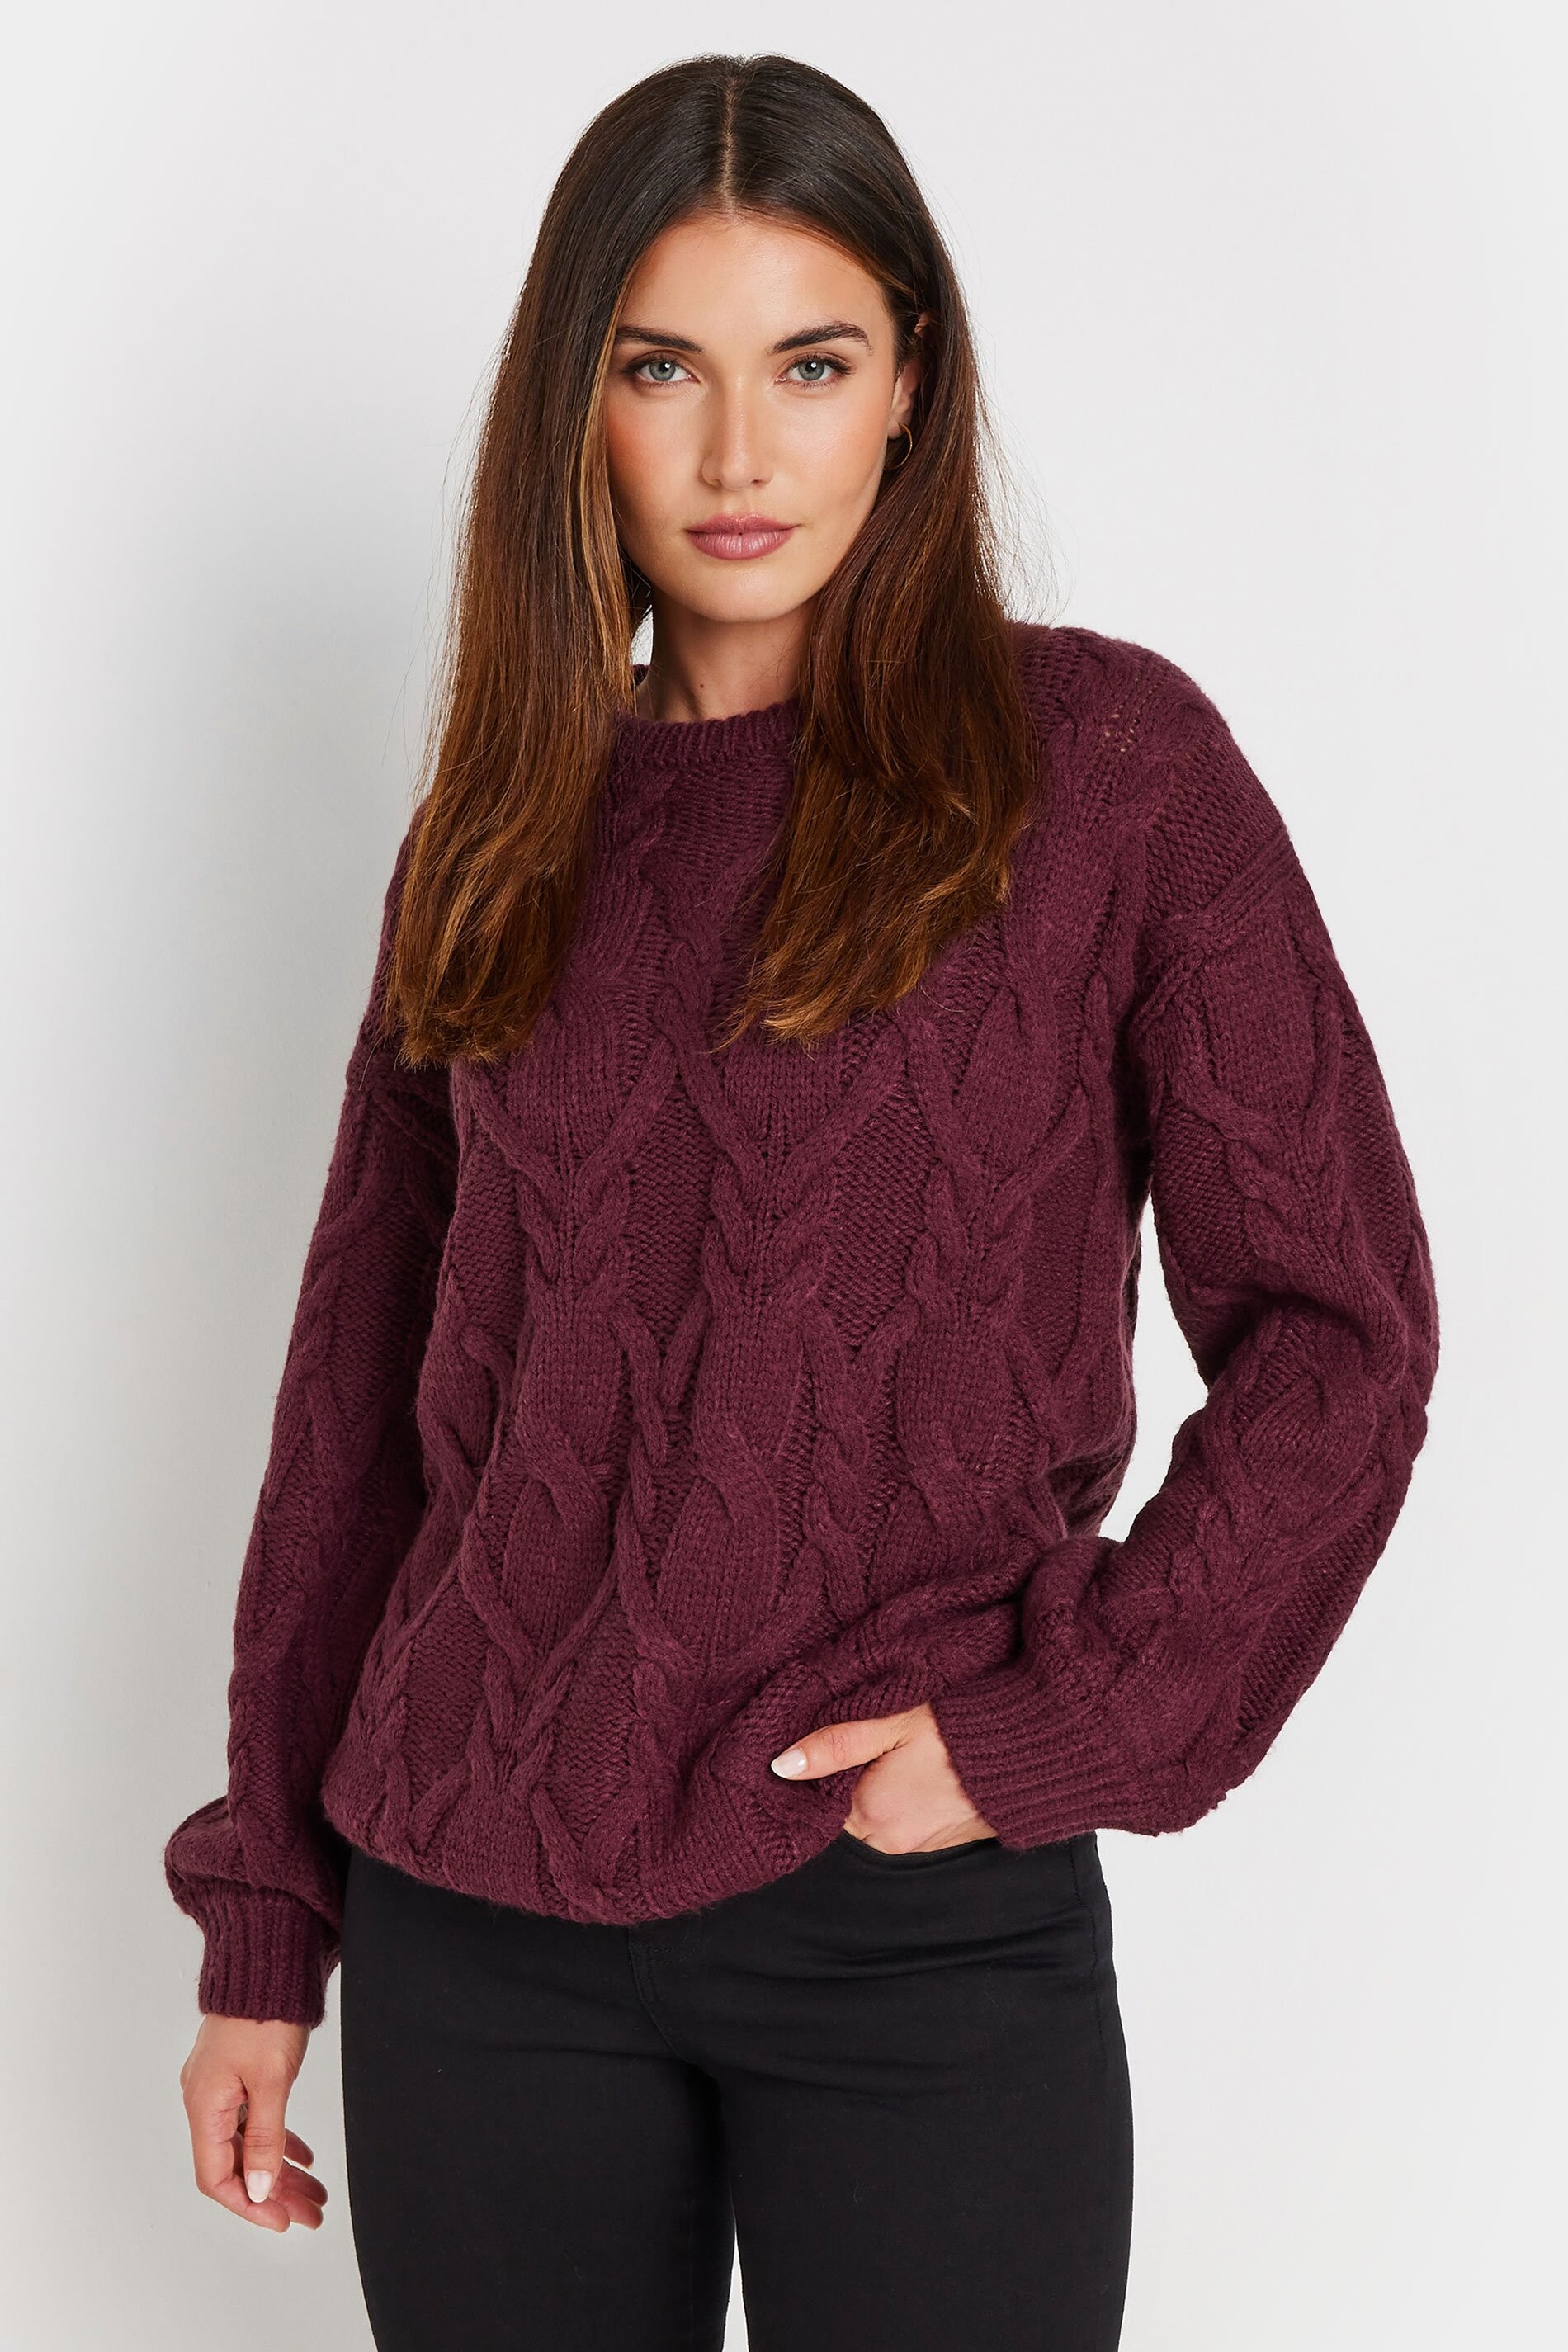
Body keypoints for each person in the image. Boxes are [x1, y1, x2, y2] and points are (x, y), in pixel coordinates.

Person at [164, 50, 1439, 2352]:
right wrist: (270, 1914)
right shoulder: (499, 828)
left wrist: (1058, 1729)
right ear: (577, 404)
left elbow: (1339, 1335)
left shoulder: (1110, 774)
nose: (738, 453)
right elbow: (358, 1403)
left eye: (811, 364)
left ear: (909, 380)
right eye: (662, 368)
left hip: (912, 1919)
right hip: (476, 1914)